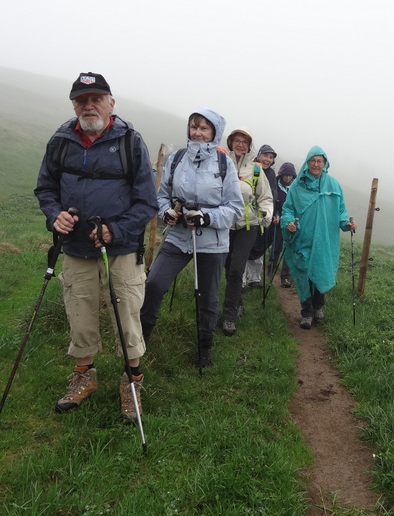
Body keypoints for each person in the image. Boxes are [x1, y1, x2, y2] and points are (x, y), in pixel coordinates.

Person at [34, 72, 158, 423]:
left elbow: (147, 203)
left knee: (127, 317)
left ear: (110, 103)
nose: (89, 106)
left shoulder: (130, 142)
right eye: (81, 100)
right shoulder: (61, 140)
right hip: (75, 248)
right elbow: (45, 189)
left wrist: (114, 230)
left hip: (122, 249)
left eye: (96, 99)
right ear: (74, 105)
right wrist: (54, 215)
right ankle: (83, 377)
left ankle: (132, 383)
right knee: (80, 314)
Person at [139, 110, 243, 367]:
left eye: (204, 128)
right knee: (153, 284)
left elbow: (235, 208)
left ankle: (205, 346)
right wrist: (166, 212)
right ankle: (140, 339)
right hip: (178, 236)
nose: (197, 133)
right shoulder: (176, 159)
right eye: (194, 127)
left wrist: (207, 217)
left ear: (214, 133)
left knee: (207, 297)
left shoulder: (224, 164)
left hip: (213, 243)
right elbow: (161, 196)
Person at [281, 146, 357, 329]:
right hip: (302, 238)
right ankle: (306, 312)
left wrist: (346, 224)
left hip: (324, 240)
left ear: (325, 163)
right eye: (313, 161)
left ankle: (318, 306)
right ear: (307, 162)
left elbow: (341, 211)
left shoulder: (333, 185)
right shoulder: (297, 185)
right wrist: (288, 222)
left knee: (320, 271)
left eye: (319, 161)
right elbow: (288, 209)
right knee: (303, 274)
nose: (316, 164)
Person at [221, 127, 273, 336]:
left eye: (245, 142)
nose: (240, 144)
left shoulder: (256, 170)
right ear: (231, 143)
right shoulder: (221, 163)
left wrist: (266, 214)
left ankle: (229, 317)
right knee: (228, 268)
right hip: (224, 224)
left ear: (249, 146)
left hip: (248, 225)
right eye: (237, 140)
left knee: (236, 269)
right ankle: (238, 301)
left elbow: (266, 197)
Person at [244, 144, 279, 288]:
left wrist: (275, 213)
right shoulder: (250, 169)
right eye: (265, 155)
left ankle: (254, 279)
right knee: (245, 247)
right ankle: (241, 281)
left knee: (260, 246)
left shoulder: (271, 174)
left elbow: (273, 196)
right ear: (259, 155)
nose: (268, 160)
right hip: (248, 216)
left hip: (265, 217)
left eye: (271, 157)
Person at [274, 161, 297, 287]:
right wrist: (275, 214)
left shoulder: (296, 188)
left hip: (291, 223)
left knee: (288, 249)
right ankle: (271, 270)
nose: (287, 177)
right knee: (276, 247)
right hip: (277, 222)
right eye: (285, 175)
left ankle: (285, 277)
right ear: (281, 174)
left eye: (290, 175)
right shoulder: (275, 185)